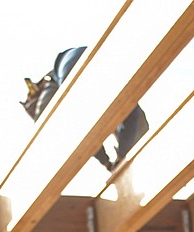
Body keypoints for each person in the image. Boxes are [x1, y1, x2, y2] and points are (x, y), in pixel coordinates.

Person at [21, 45, 149, 171]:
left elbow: (82, 131)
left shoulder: (57, 83)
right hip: (96, 59)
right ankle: (125, 156)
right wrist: (114, 159)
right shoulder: (61, 83)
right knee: (132, 123)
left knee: (132, 126)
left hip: (85, 67)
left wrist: (113, 161)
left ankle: (126, 157)